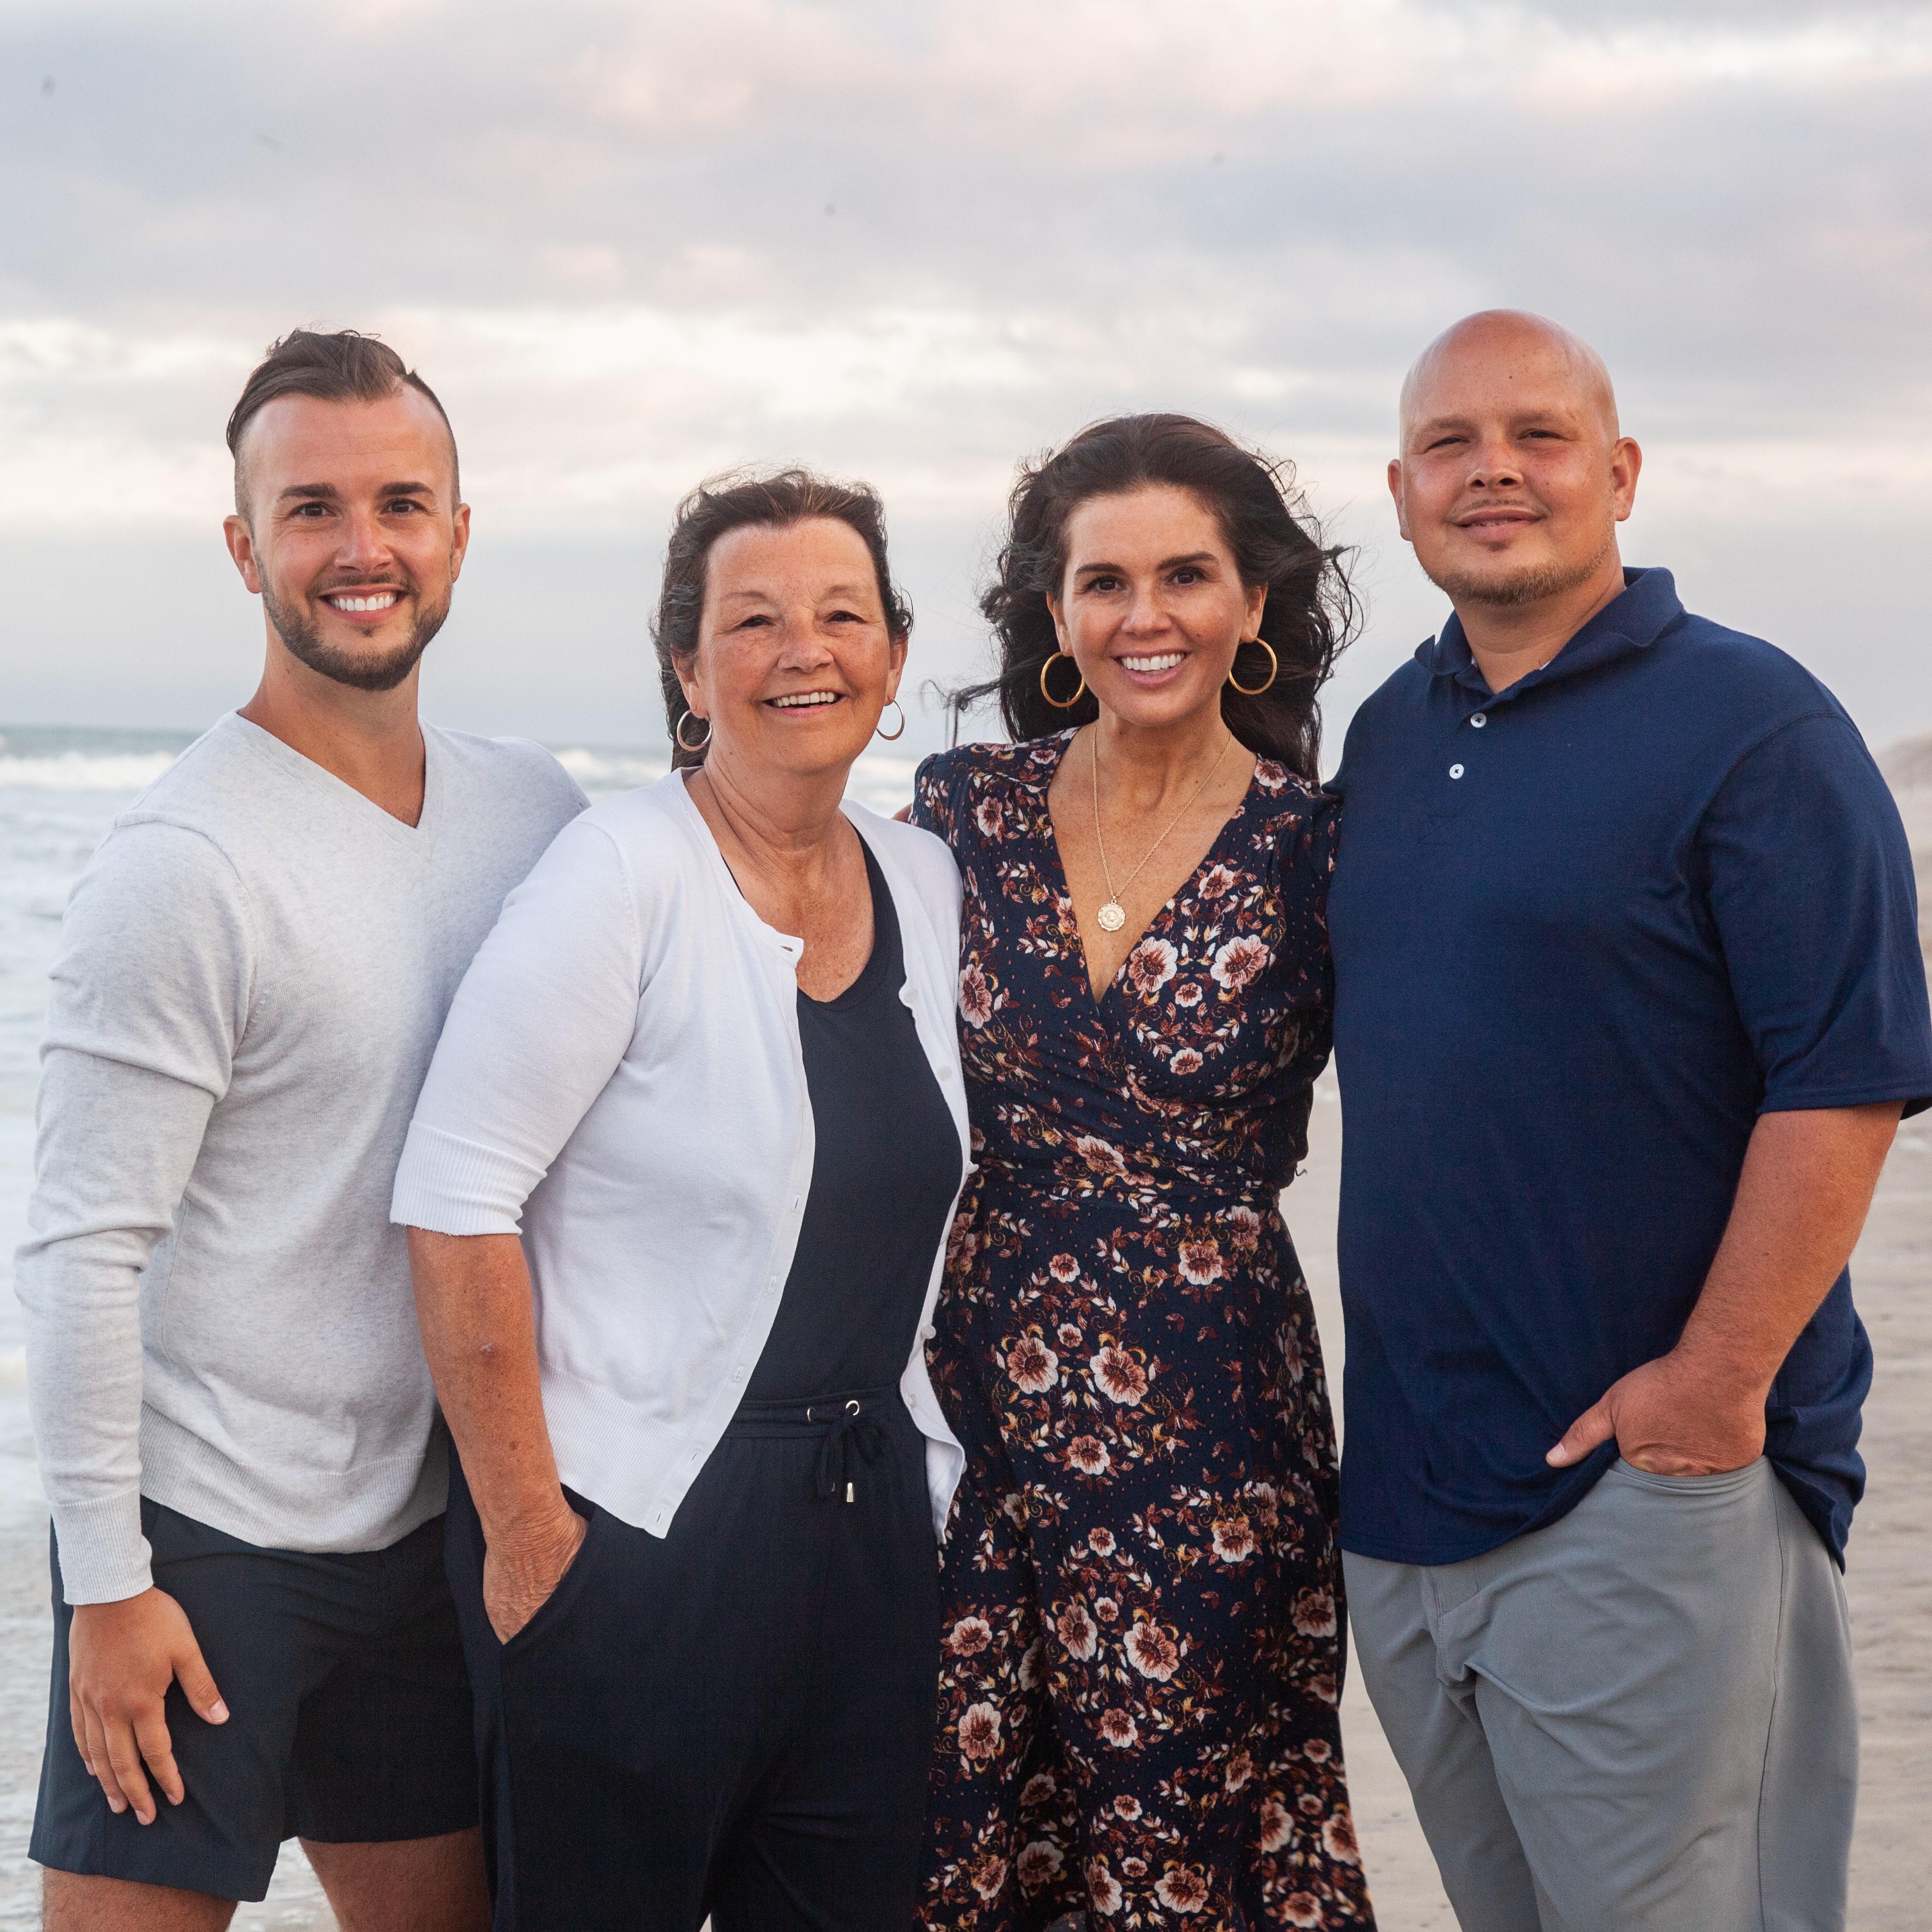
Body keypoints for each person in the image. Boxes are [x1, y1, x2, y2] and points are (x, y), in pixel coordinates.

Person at [1327, 310, 1932, 1931]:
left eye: (1536, 435)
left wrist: (1713, 1387)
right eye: (1452, 446)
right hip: (1404, 1505)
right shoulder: (1387, 740)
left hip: (1646, 1494)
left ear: (1622, 471)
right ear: (1400, 493)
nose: (1495, 471)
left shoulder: (1756, 728)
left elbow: (1849, 1075)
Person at [15, 330, 586, 1931]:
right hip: (204, 1543)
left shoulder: (534, 809)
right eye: (312, 506)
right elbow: (78, 1249)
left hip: (424, 1528)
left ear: (459, 532)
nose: (362, 548)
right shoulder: (181, 865)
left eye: (402, 501)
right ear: (243, 543)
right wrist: (108, 1589)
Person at [391, 469, 971, 1931]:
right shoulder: (620, 874)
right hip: (632, 1537)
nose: (805, 650)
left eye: (843, 615)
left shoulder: (925, 881)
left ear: (893, 656)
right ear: (687, 665)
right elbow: (455, 1200)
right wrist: (533, 1549)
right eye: (755, 619)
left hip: (870, 1542)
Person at [910, 415, 1376, 1928]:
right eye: (1105, 582)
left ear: (1251, 606)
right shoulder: (956, 815)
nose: (1146, 615)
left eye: (1187, 576)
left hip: (1212, 1425)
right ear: (1058, 616)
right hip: (964, 1399)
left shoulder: (1321, 848)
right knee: (953, 1823)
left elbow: (1469, 1084)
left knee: (1184, 1845)